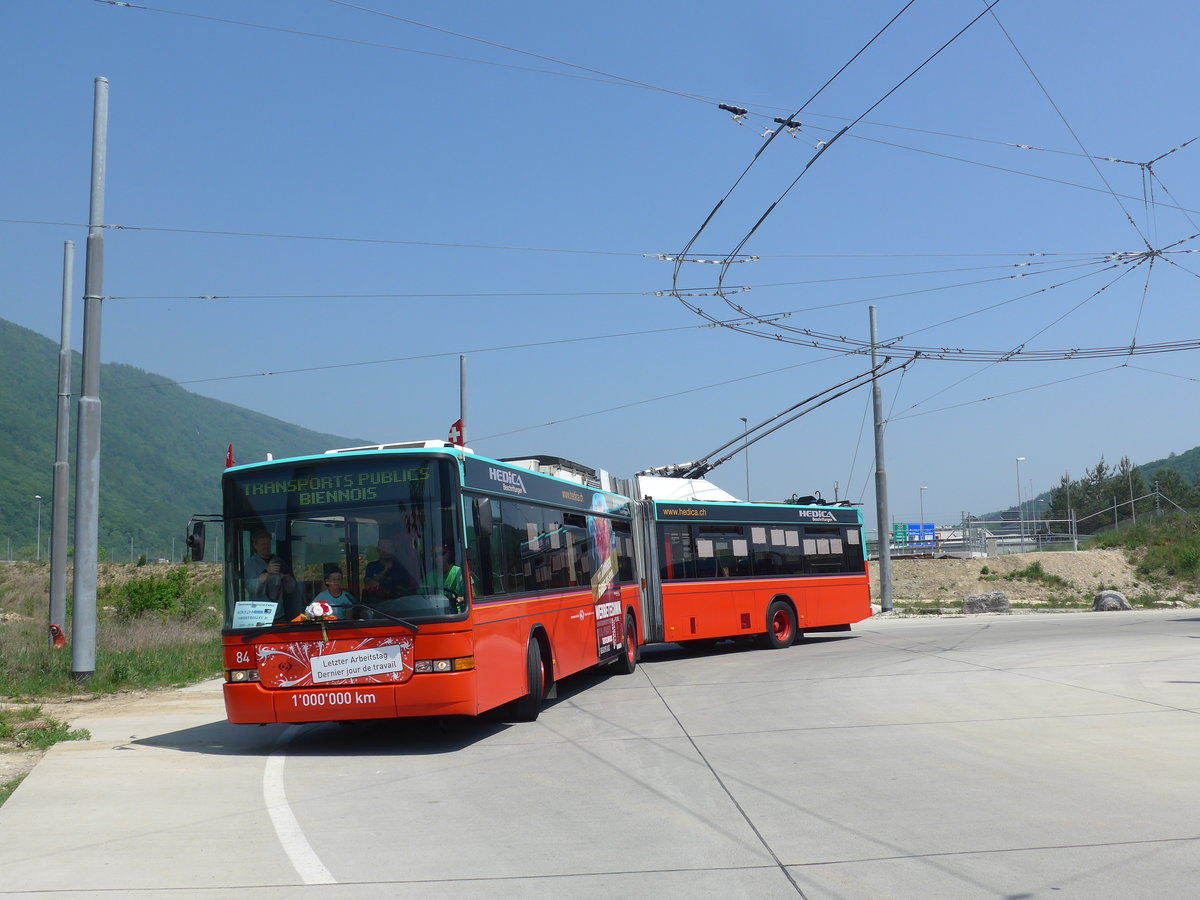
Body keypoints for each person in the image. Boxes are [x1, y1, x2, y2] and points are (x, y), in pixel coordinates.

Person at [245, 530, 299, 607]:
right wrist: (267, 573)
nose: (266, 546)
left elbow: (291, 589)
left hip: (278, 612)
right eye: (263, 544)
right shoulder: (251, 563)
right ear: (255, 545)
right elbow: (251, 588)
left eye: (268, 544)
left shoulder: (278, 561)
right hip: (259, 613)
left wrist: (287, 577)